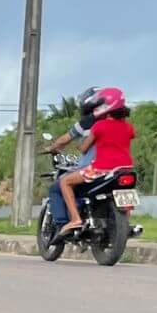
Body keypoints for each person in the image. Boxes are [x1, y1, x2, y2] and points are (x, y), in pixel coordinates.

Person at [56, 88, 133, 239]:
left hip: (101, 168)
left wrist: (81, 145)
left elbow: (84, 148)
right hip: (126, 168)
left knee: (65, 182)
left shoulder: (99, 126)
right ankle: (125, 224)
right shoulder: (128, 127)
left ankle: (75, 219)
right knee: (126, 193)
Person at [42, 86, 111, 228]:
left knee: (58, 187)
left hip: (94, 169)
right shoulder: (117, 122)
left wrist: (52, 147)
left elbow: (65, 139)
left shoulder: (88, 121)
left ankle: (67, 222)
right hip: (117, 168)